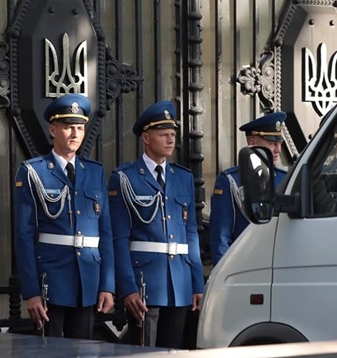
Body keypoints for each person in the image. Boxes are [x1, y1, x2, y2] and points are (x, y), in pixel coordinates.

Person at [14, 93, 115, 340]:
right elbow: (23, 236)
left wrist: (107, 285)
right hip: (51, 280)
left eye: (80, 128)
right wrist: (31, 292)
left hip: (87, 280)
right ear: (52, 130)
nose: (75, 134)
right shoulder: (32, 172)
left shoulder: (94, 171)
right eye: (68, 127)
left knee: (83, 350)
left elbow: (106, 233)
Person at [108, 100, 204, 348]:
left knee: (172, 350)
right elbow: (118, 238)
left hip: (179, 282)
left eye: (172, 134)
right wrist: (128, 288)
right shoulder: (124, 178)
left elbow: (190, 233)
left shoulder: (183, 177)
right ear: (146, 138)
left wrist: (197, 283)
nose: (170, 140)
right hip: (145, 280)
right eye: (163, 134)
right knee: (144, 351)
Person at [209, 111, 288, 266]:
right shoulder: (231, 180)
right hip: (246, 266)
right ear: (252, 142)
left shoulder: (285, 178)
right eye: (272, 143)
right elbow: (221, 236)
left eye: (279, 143)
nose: (278, 149)